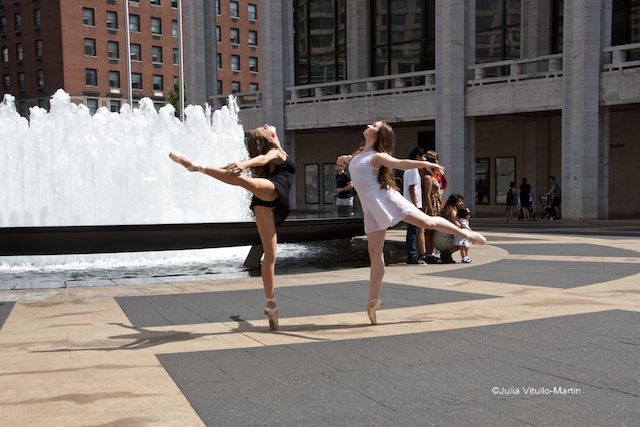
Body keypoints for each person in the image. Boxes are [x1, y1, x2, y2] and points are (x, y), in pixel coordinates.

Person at [337, 121, 486, 325]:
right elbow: (349, 159)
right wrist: (344, 158)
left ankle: (467, 234)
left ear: (379, 134)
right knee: (375, 255)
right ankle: (373, 301)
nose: (368, 125)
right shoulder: (360, 154)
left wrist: (426, 164)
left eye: (374, 125)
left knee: (428, 222)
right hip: (371, 209)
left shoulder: (377, 156)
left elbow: (400, 163)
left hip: (386, 199)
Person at [168, 124, 293, 331]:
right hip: (269, 192)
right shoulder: (275, 151)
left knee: (271, 255)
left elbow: (261, 159)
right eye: (262, 128)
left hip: (271, 196)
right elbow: (262, 159)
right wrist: (244, 165)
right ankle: (270, 303)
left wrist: (243, 163)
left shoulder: (277, 150)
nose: (264, 124)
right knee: (249, 184)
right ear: (268, 137)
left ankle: (271, 305)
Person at [402, 147, 427, 265]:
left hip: (411, 204)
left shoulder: (410, 169)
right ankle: (412, 256)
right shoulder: (412, 169)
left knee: (413, 230)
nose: (424, 159)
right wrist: (415, 206)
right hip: (413, 204)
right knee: (413, 231)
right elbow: (411, 187)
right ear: (417, 156)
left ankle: (413, 254)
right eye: (423, 156)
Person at [422, 151, 443, 264]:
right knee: (429, 231)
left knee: (433, 230)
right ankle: (428, 253)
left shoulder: (433, 176)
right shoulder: (427, 177)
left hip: (437, 203)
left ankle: (432, 251)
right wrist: (430, 209)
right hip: (432, 205)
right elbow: (427, 194)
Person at [435, 194, 465, 264]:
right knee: (464, 241)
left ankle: (447, 255)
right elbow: (457, 226)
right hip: (443, 240)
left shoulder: (446, 209)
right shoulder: (453, 212)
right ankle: (447, 253)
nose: (462, 203)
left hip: (438, 239)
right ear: (454, 202)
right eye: (459, 201)